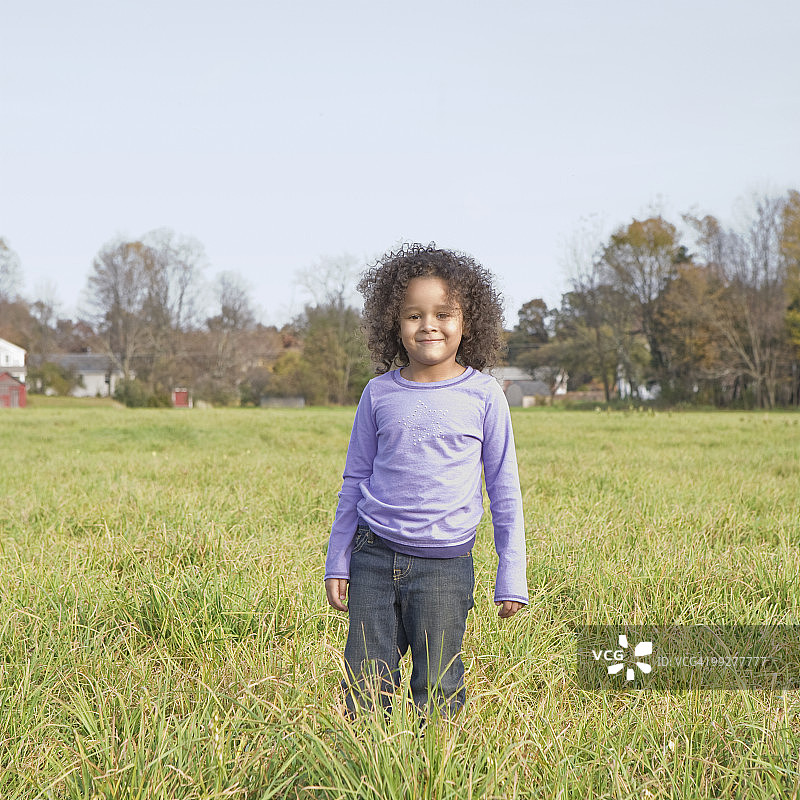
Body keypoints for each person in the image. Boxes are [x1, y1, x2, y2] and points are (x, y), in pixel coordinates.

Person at [324, 243, 528, 717]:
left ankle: (431, 773)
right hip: (372, 556)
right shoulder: (377, 393)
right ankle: (366, 774)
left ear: (467, 321)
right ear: (394, 324)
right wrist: (338, 559)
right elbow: (354, 478)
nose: (429, 325)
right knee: (365, 689)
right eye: (414, 315)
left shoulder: (484, 396)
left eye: (444, 313)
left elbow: (503, 489)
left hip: (444, 568)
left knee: (437, 688)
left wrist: (510, 571)